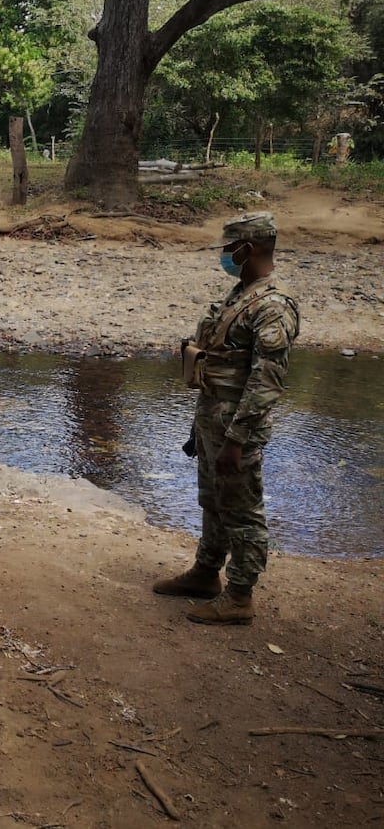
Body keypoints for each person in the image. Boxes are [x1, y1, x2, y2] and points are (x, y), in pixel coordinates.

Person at [154, 212, 300, 625]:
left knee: (242, 509)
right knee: (213, 499)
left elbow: (266, 380)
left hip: (237, 426)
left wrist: (237, 439)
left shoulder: (273, 306)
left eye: (229, 248)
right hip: (212, 417)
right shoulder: (240, 295)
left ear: (247, 249)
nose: (224, 256)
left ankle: (239, 596)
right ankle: (206, 572)